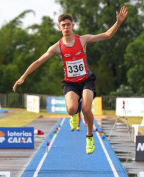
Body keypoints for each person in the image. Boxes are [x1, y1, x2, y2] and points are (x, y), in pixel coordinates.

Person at [12, 7, 128, 154]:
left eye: (68, 24)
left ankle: (90, 136)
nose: (66, 27)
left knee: (86, 109)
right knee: (72, 109)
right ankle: (73, 114)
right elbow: (38, 61)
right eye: (63, 25)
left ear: (72, 25)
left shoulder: (83, 39)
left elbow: (106, 35)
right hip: (71, 83)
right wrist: (23, 76)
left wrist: (118, 23)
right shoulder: (56, 47)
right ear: (59, 27)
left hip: (86, 80)